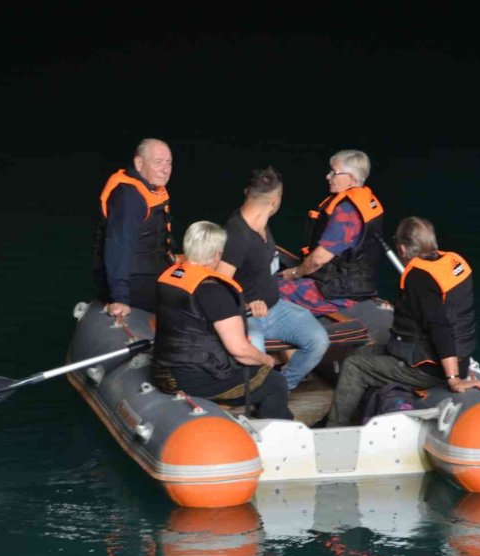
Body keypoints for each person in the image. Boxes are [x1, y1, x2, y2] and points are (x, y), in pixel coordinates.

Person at [325, 216, 480, 427]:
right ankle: (357, 412)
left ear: (402, 250)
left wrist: (453, 378)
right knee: (362, 353)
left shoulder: (419, 278)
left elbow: (440, 327)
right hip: (456, 357)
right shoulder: (454, 263)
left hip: (430, 367)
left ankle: (334, 428)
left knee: (354, 366)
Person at [152, 221, 293, 420]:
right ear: (217, 254)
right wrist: (267, 360)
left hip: (163, 371)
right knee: (275, 383)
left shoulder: (171, 277)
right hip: (193, 378)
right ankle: (279, 440)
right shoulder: (213, 290)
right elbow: (240, 351)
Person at [216, 166, 330, 390]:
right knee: (255, 350)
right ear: (276, 201)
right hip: (246, 317)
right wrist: (247, 304)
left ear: (247, 192)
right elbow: (218, 287)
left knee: (318, 340)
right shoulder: (237, 235)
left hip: (276, 308)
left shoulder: (261, 223)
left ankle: (282, 386)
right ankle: (256, 395)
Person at [278, 149, 385, 316]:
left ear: (350, 179)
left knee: (269, 290)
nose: (328, 177)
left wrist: (294, 273)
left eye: (333, 173)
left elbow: (318, 260)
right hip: (354, 283)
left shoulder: (347, 212)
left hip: (337, 292)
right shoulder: (363, 201)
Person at [92, 138, 175, 317]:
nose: (165, 169)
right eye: (158, 162)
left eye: (169, 163)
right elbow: (118, 247)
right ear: (139, 163)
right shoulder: (129, 198)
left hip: (153, 270)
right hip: (135, 282)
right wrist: (120, 298)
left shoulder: (151, 188)